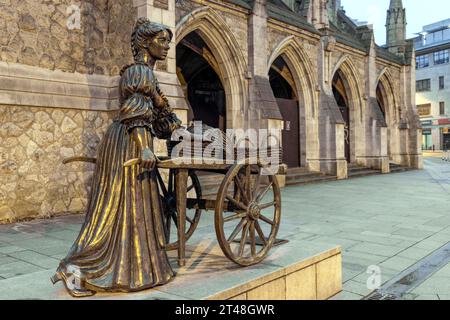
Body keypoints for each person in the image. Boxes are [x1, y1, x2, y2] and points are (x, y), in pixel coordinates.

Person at [51, 18, 182, 297]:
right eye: (161, 40)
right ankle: (78, 267)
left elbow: (158, 120)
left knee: (129, 207)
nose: (167, 46)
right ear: (145, 43)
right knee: (118, 207)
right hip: (131, 140)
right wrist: (144, 147)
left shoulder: (146, 75)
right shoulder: (139, 73)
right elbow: (136, 113)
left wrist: (170, 119)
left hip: (129, 138)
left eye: (168, 41)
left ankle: (132, 267)